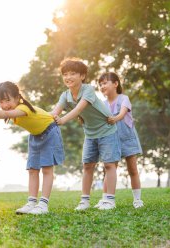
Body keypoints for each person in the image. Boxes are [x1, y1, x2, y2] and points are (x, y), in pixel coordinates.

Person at [0, 81, 64, 215]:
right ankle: (31, 202)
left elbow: (4, 115)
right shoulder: (10, 110)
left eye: (7, 100)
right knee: (32, 170)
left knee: (46, 168)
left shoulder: (23, 108)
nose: (4, 105)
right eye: (1, 102)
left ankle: (43, 204)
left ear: (17, 97)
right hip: (35, 135)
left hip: (49, 132)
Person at [52, 58, 121, 210]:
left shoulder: (88, 89)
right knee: (87, 166)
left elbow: (78, 109)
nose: (68, 77)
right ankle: (84, 201)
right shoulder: (65, 95)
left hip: (107, 130)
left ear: (82, 76)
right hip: (90, 134)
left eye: (72, 73)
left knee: (109, 165)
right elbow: (54, 112)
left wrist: (62, 120)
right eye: (65, 74)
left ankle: (109, 200)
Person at [98, 72, 144, 208]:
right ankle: (105, 199)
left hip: (127, 138)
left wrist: (115, 118)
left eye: (105, 82)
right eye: (100, 84)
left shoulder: (124, 98)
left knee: (132, 169)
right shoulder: (102, 104)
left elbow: (123, 113)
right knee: (110, 168)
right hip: (111, 139)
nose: (102, 86)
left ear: (115, 84)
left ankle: (137, 199)